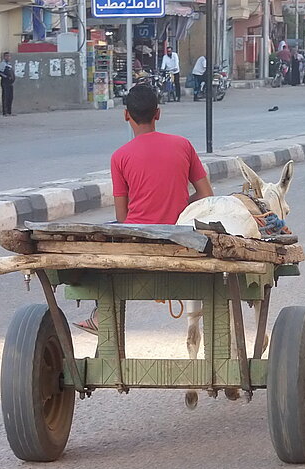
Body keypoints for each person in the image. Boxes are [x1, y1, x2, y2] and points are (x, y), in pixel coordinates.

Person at [73, 84, 214, 335]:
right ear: (157, 114)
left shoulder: (119, 157)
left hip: (138, 241)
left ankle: (99, 314)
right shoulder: (184, 145)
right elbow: (206, 195)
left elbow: (122, 217)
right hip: (180, 238)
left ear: (126, 115)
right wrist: (180, 208)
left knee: (105, 233)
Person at [0, 51, 15, 116]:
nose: (8, 57)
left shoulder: (9, 64)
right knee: (5, 97)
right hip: (5, 83)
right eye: (7, 56)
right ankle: (5, 112)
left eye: (9, 56)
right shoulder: (3, 64)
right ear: (4, 57)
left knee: (10, 97)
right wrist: (7, 77)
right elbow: (0, 73)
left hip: (10, 83)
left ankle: (9, 111)